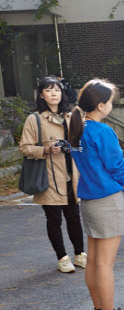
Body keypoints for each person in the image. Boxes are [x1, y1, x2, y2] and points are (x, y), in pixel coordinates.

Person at [68, 79, 124, 310]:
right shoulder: (102, 131)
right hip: (106, 201)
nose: (112, 105)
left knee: (93, 261)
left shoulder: (78, 129)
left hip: (89, 201)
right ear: (101, 105)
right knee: (104, 265)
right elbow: (117, 169)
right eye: (110, 101)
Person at [19, 76, 85, 273]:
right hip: (49, 178)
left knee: (74, 218)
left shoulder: (71, 115)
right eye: (48, 90)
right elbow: (24, 148)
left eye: (56, 90)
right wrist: (47, 150)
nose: (53, 93)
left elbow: (81, 143)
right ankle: (62, 258)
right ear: (41, 95)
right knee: (54, 219)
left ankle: (80, 254)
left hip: (71, 176)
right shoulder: (35, 119)